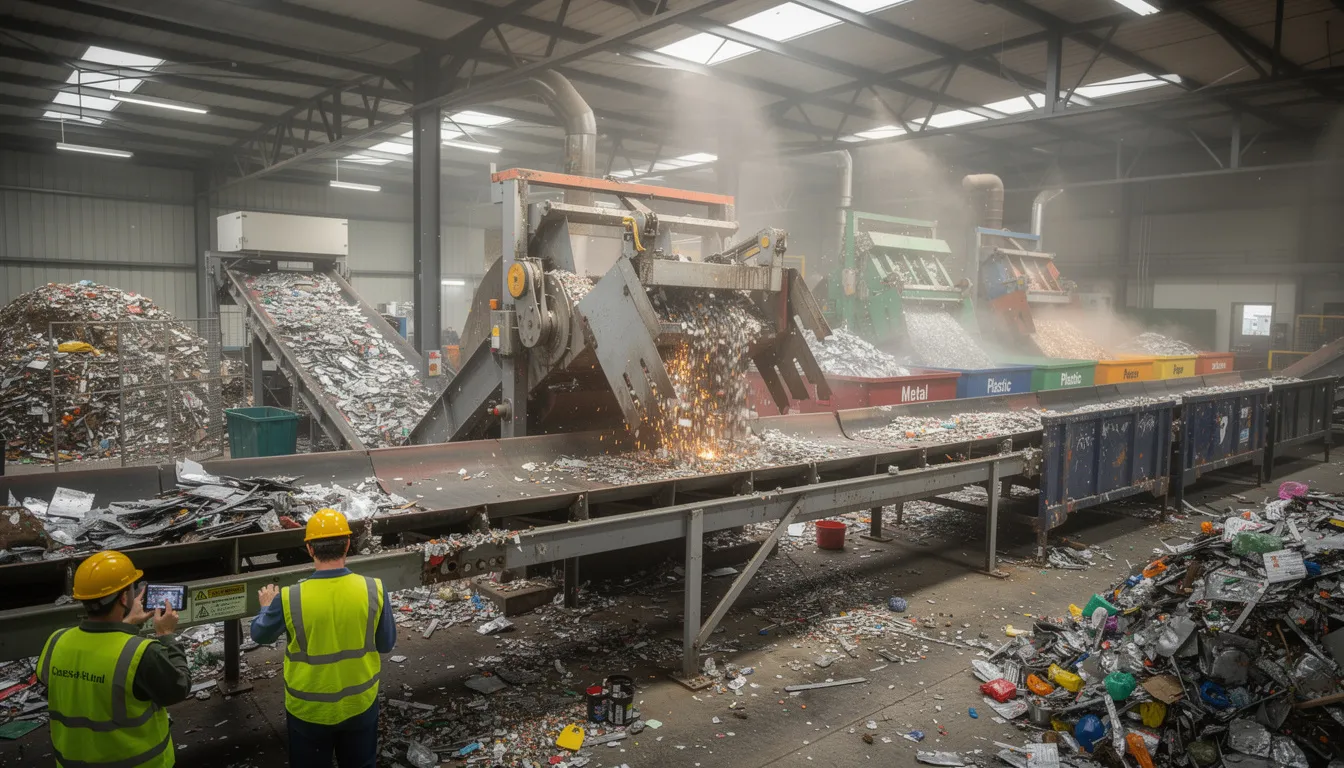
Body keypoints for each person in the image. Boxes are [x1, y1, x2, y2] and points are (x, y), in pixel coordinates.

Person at [250, 508, 395, 768]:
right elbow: (386, 644)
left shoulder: (290, 598)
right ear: (348, 544)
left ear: (309, 549)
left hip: (309, 710)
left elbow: (260, 634)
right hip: (359, 703)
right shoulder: (374, 589)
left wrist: (265, 606)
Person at [37, 549, 189, 768]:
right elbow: (179, 687)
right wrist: (166, 636)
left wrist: (127, 623)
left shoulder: (56, 641)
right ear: (125, 597)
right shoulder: (141, 653)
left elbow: (87, 668)